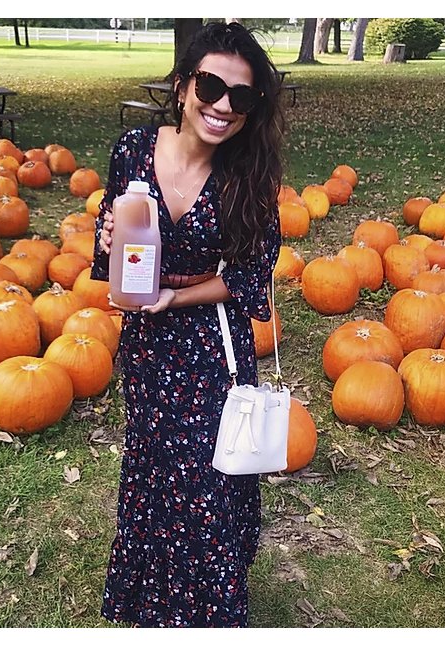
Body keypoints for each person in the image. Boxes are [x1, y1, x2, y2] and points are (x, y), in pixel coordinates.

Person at [90, 21, 285, 627]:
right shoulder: (132, 150)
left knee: (210, 485)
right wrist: (108, 240)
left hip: (208, 348)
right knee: (153, 474)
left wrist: (179, 297)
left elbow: (252, 279)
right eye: (210, 86)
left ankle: (209, 615)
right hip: (147, 348)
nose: (223, 105)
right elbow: (112, 252)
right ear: (182, 87)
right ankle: (152, 607)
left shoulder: (246, 176)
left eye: (242, 96)